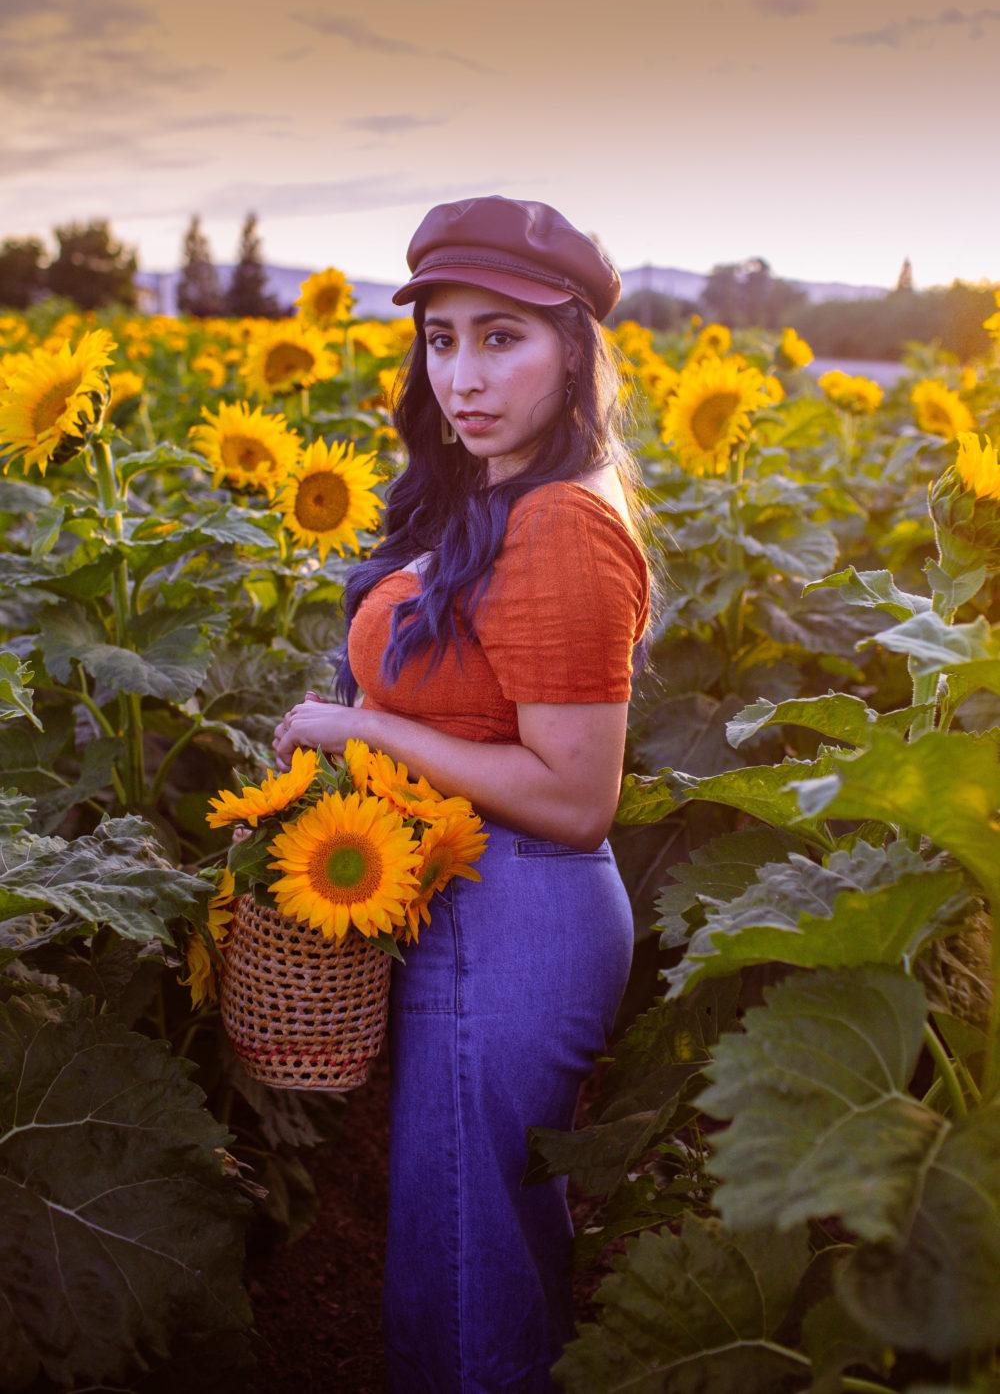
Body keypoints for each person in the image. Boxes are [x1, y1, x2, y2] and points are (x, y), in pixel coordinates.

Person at [271, 194, 658, 1393]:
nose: (462, 374)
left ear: (574, 351)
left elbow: (575, 795)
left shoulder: (558, 525)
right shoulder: (496, 503)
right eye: (442, 337)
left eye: (503, 336)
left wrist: (362, 726)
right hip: (484, 908)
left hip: (521, 914)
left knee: (466, 1264)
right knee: (473, 1242)